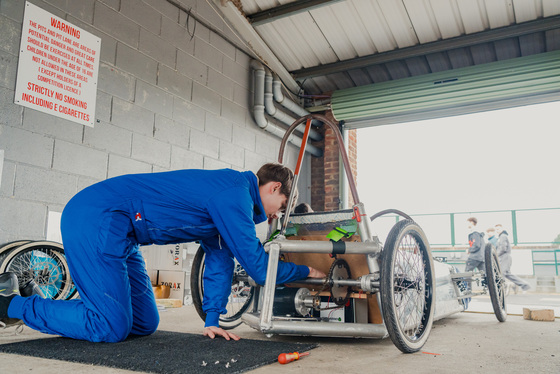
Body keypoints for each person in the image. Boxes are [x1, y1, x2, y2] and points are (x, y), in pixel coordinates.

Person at [0, 163, 325, 342]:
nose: (273, 216)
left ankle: (93, 305)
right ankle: (10, 303)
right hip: (97, 216)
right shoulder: (234, 195)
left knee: (143, 323)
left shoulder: (232, 201)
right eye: (279, 208)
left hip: (123, 233)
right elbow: (256, 266)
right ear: (273, 188)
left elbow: (220, 260)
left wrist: (213, 320)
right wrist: (305, 272)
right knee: (109, 327)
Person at [495, 224, 531, 292]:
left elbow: (503, 248)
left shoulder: (503, 236)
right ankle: (522, 285)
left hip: (504, 257)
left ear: (502, 229)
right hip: (505, 256)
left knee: (501, 273)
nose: (497, 231)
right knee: (507, 273)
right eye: (496, 229)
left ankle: (502, 289)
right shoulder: (501, 237)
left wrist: (496, 255)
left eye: (498, 229)